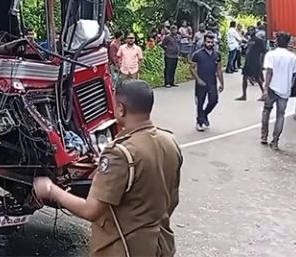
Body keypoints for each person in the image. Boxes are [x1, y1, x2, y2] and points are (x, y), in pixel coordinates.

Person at [33, 80, 183, 257]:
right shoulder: (169, 141)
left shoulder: (119, 153)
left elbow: (91, 210)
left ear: (121, 108)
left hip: (125, 249)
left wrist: (52, 190)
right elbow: (171, 200)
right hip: (161, 245)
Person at [260, 32, 296, 150]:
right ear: (288, 42)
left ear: (277, 41)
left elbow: (269, 72)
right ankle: (275, 141)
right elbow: (294, 74)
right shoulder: (293, 57)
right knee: (280, 115)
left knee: (266, 110)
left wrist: (265, 88)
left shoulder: (271, 55)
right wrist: (289, 86)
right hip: (285, 90)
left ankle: (264, 136)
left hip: (272, 88)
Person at [190, 33, 224, 131]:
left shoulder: (217, 54)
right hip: (201, 83)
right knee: (200, 103)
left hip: (212, 82)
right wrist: (198, 79)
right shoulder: (197, 54)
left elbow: (219, 69)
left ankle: (204, 114)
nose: (210, 44)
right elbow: (192, 68)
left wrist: (222, 83)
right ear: (204, 42)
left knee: (214, 100)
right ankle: (199, 122)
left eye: (212, 42)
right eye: (208, 42)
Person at [237, 28, 266, 101]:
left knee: (258, 78)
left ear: (255, 31)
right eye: (249, 30)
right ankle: (244, 95)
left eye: (252, 30)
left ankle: (264, 94)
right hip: (248, 61)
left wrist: (262, 61)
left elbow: (263, 51)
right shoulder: (249, 40)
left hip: (255, 61)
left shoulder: (259, 40)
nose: (250, 31)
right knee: (244, 77)